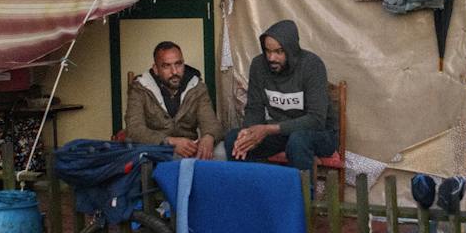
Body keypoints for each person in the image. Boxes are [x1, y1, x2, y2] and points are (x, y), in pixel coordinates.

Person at [224, 19, 337, 172]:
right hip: (281, 132)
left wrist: (266, 129)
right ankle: (253, 190)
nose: (271, 58)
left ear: (291, 50)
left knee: (298, 141)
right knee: (234, 139)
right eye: (268, 51)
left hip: (319, 134)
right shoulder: (259, 66)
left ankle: (302, 194)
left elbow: (316, 120)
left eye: (279, 51)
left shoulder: (311, 65)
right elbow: (254, 109)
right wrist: (249, 132)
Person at [123, 41, 219, 159]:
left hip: (190, 149)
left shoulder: (197, 87)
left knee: (221, 152)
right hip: (155, 149)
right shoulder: (140, 88)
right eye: (166, 66)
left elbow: (211, 123)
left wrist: (209, 137)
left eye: (178, 64)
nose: (174, 71)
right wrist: (169, 142)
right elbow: (134, 130)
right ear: (156, 69)